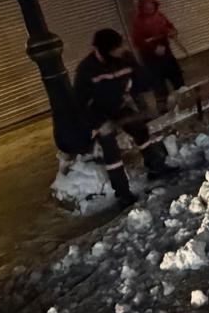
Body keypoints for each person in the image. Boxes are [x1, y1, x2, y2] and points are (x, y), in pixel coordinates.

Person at [74, 28, 173, 206]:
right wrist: (96, 125)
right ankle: (123, 193)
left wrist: (151, 97)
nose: (121, 50)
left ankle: (155, 167)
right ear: (106, 51)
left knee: (140, 129)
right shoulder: (86, 70)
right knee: (111, 149)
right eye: (117, 48)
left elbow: (142, 79)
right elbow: (79, 103)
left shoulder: (125, 59)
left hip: (119, 106)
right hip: (98, 113)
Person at [130, 0, 184, 115]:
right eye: (147, 9)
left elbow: (169, 26)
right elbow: (137, 42)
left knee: (177, 77)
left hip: (166, 53)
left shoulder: (160, 16)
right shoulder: (138, 23)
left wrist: (172, 31)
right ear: (142, 9)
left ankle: (184, 100)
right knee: (159, 86)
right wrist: (152, 48)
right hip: (151, 58)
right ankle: (164, 112)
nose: (150, 11)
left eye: (152, 8)